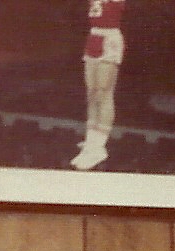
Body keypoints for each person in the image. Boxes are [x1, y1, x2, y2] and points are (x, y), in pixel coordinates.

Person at [72, 0, 126, 171]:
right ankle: (91, 142)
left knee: (104, 94)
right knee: (92, 94)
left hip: (109, 39)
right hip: (93, 37)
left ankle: (98, 147)